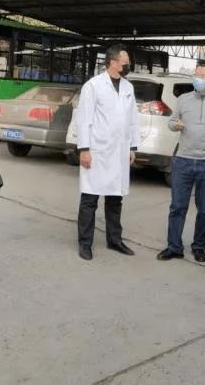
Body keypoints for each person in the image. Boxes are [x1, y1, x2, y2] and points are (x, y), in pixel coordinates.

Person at [157, 61, 205, 263]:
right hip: (183, 160)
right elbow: (171, 122)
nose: (197, 79)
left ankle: (199, 246)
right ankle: (174, 247)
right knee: (177, 206)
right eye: (196, 74)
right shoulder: (183, 100)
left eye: (202, 76)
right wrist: (175, 125)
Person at [76, 43, 141, 260]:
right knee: (90, 200)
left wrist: (132, 146)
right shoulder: (93, 86)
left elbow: (132, 119)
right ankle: (85, 243)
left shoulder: (128, 87)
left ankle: (114, 240)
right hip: (97, 151)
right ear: (113, 62)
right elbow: (84, 119)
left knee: (115, 200)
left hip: (120, 151)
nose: (128, 65)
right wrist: (84, 149)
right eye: (125, 62)